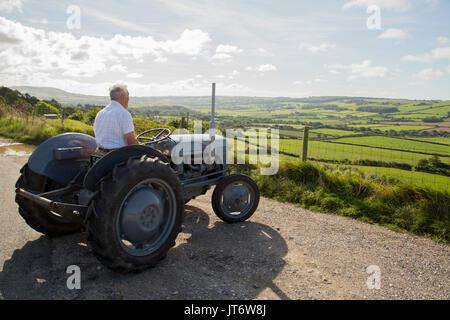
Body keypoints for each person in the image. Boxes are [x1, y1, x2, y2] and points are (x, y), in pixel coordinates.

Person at [93, 84, 139, 155]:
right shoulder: (123, 113)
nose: (128, 100)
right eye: (128, 97)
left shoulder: (100, 113)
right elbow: (130, 141)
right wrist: (141, 146)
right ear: (122, 97)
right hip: (117, 155)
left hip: (99, 153)